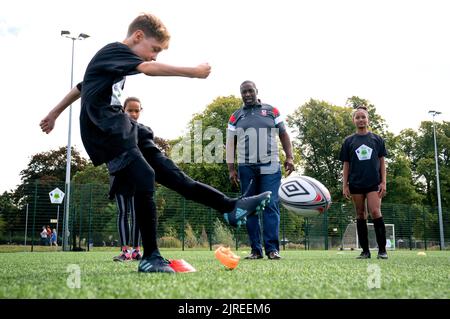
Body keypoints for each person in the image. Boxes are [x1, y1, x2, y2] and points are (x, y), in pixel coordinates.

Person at [39, 13, 271, 273]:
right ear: (138, 36)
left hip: (124, 126)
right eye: (155, 49)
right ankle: (150, 256)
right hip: (104, 128)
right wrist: (192, 72)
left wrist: (54, 113)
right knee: (145, 176)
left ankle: (230, 208)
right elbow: (147, 69)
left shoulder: (115, 63)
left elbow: (81, 87)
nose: (154, 56)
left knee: (175, 176)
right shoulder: (114, 50)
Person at [226, 80, 295, 260]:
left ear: (256, 91)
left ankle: (272, 249)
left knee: (271, 205)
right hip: (246, 167)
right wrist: (231, 168)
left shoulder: (272, 111)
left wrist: (289, 157)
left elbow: (283, 134)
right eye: (244, 92)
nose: (247, 95)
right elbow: (230, 143)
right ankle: (256, 250)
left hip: (270, 165)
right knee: (250, 208)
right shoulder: (235, 116)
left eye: (250, 91)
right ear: (240, 94)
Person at [339, 106, 388, 259]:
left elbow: (382, 162)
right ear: (354, 120)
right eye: (357, 117)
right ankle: (365, 251)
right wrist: (345, 185)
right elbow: (346, 164)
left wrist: (384, 182)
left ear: (368, 120)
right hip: (356, 183)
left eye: (363, 117)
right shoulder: (348, 141)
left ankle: (382, 250)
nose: (361, 120)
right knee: (360, 214)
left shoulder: (377, 139)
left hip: (374, 183)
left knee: (375, 211)